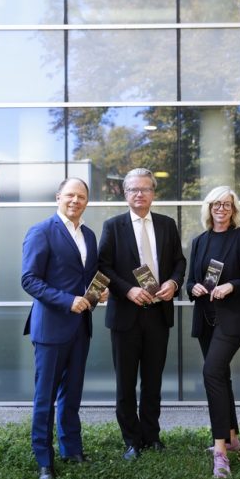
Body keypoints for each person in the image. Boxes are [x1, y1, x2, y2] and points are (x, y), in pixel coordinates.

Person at [21, 178, 108, 479]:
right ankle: (44, 460)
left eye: (81, 196)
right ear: (58, 197)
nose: (75, 200)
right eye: (70, 195)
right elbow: (29, 280)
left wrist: (97, 295)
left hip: (80, 328)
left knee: (71, 395)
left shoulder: (89, 235)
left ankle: (72, 449)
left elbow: (88, 278)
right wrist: (67, 300)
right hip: (51, 328)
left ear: (87, 201)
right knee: (44, 398)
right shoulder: (42, 231)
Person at [98, 168, 186, 460]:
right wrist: (127, 290)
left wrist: (173, 282)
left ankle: (151, 435)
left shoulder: (166, 224)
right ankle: (131, 440)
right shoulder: (113, 226)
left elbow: (178, 261)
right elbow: (104, 267)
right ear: (125, 194)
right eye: (133, 189)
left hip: (158, 313)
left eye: (145, 189)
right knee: (125, 382)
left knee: (153, 380)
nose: (139, 194)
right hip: (125, 315)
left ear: (153, 193)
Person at [186, 186, 240, 478]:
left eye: (227, 204)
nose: (221, 209)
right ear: (209, 208)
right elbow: (191, 280)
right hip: (206, 319)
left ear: (234, 209)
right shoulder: (199, 241)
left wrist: (232, 286)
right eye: (216, 204)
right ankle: (232, 437)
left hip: (232, 320)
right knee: (221, 376)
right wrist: (194, 287)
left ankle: (220, 451)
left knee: (211, 373)